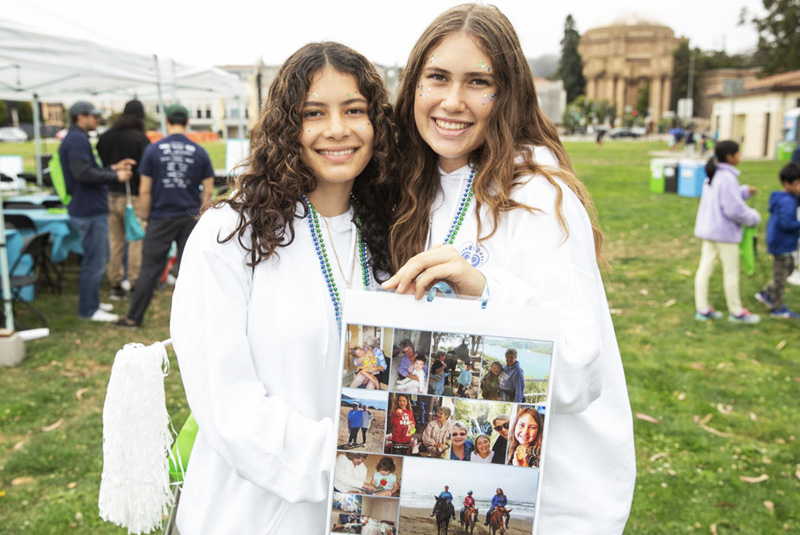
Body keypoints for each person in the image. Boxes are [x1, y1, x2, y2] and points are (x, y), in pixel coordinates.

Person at [382, 5, 635, 533]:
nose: (453, 101)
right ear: (413, 86)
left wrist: (487, 290)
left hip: (555, 503)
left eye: (479, 82)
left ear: (510, 92)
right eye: (437, 77)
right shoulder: (410, 185)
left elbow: (581, 376)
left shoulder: (538, 196)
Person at [169, 42, 395, 534]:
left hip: (366, 509)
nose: (337, 129)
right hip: (253, 512)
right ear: (285, 127)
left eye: (354, 110)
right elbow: (226, 402)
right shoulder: (230, 235)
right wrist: (348, 463)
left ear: (376, 121)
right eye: (314, 113)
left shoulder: (393, 232)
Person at [114, 104, 214, 329]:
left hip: (160, 216)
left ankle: (134, 317)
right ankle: (196, 321)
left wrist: (146, 216)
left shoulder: (153, 150)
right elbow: (208, 190)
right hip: (190, 217)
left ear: (167, 122)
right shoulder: (199, 152)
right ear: (187, 122)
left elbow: (145, 190)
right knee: (192, 269)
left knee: (149, 268)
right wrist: (202, 216)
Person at [60, 101, 134, 322]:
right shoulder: (76, 140)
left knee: (95, 260)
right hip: (89, 209)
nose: (97, 120)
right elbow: (83, 174)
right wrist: (115, 177)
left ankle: (91, 303)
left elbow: (87, 170)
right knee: (95, 261)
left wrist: (113, 167)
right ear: (80, 117)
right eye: (94, 116)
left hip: (88, 207)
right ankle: (89, 309)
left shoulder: (77, 138)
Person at [693, 140, 762, 324]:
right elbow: (733, 209)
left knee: (704, 268)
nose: (740, 157)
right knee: (731, 272)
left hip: (709, 231)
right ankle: (736, 311)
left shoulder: (713, 175)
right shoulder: (727, 178)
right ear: (730, 156)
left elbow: (725, 198)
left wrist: (744, 192)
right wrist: (753, 217)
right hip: (724, 234)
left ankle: (702, 308)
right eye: (738, 153)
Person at [96, 99, 151, 299]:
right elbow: (147, 170)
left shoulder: (105, 137)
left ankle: (115, 283)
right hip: (133, 196)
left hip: (110, 194)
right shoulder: (140, 139)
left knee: (115, 241)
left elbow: (101, 164)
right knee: (136, 239)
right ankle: (134, 282)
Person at [755, 162, 800, 318]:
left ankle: (766, 293)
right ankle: (777, 308)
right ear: (787, 184)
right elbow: (786, 224)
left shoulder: (791, 197)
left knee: (788, 269)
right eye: (798, 184)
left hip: (785, 242)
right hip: (781, 243)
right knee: (780, 276)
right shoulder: (787, 201)